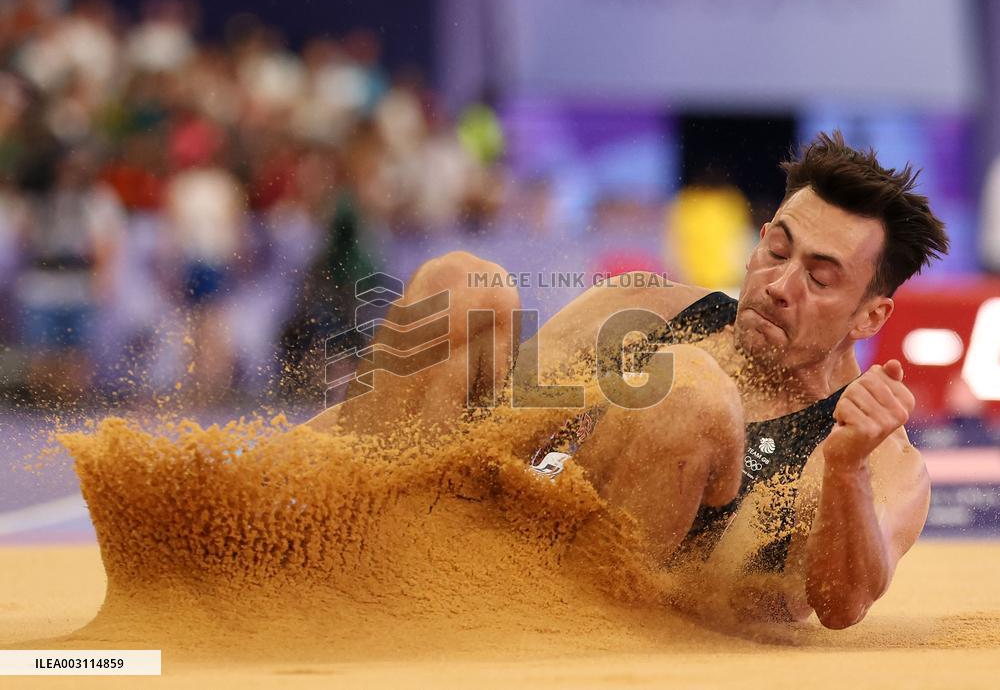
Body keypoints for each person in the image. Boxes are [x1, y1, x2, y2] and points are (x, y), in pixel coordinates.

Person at [307, 131, 949, 630]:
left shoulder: (882, 462)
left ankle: (561, 627)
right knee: (459, 286)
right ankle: (326, 542)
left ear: (871, 314)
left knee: (687, 388)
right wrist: (261, 470)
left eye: (819, 276)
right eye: (778, 252)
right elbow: (481, 423)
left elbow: (842, 605)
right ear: (756, 244)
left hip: (604, 626)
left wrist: (845, 471)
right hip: (483, 563)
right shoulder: (649, 310)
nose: (779, 286)